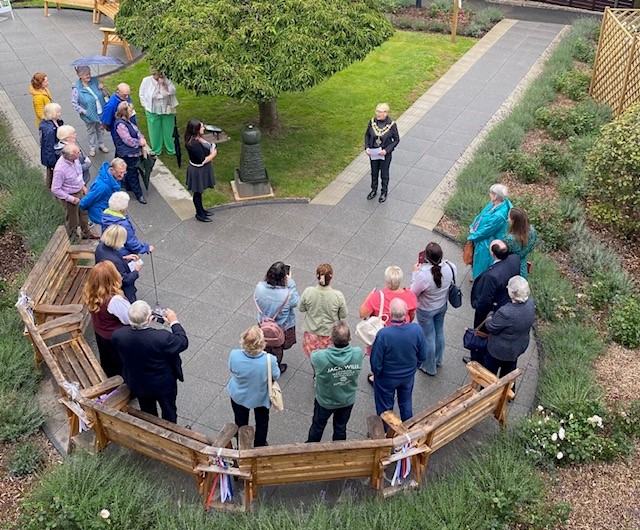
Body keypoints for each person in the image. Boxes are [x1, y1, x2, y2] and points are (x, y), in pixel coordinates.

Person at [112, 301, 188, 423]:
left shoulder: (118, 335)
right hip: (163, 383)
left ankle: (152, 428)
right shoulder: (161, 338)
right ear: (150, 318)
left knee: (147, 411)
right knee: (169, 410)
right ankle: (171, 432)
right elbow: (182, 342)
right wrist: (174, 322)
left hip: (138, 382)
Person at [464, 240, 520, 365]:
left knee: (480, 333)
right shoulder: (514, 260)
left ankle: (477, 359)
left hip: (490, 310)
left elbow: (485, 300)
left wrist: (478, 307)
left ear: (493, 254)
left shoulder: (492, 276)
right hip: (505, 301)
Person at [370, 299, 427, 422]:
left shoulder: (383, 334)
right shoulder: (417, 330)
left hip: (387, 378)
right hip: (407, 376)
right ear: (406, 312)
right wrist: (414, 367)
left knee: (385, 408)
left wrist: (378, 374)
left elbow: (375, 362)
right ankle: (408, 430)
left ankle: (386, 434)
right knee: (406, 403)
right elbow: (423, 355)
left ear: (390, 313)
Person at [306, 321, 363, 443]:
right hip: (347, 400)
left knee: (318, 426)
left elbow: (313, 355)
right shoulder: (357, 353)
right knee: (340, 428)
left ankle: (310, 448)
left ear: (331, 339)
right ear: (350, 338)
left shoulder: (320, 357)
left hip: (325, 401)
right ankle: (338, 451)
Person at [360, 265, 417, 384]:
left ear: (386, 281)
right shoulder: (410, 295)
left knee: (379, 356)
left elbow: (362, 313)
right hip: (401, 335)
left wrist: (369, 296)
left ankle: (378, 377)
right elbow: (412, 315)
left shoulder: (377, 297)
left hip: (381, 334)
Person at [227, 326, 280, 447]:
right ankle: (259, 444)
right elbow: (276, 375)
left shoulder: (234, 355)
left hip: (239, 395)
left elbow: (231, 368)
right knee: (262, 422)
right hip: (260, 397)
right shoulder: (269, 360)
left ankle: (243, 444)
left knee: (241, 422)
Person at [410, 242, 456, 376]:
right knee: (439, 332)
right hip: (442, 306)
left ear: (426, 257)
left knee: (428, 337)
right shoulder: (450, 267)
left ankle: (428, 366)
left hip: (426, 310)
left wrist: (415, 273)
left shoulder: (422, 276)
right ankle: (438, 359)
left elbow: (413, 293)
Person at [485, 276, 535, 390]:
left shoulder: (505, 312)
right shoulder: (531, 304)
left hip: (499, 349)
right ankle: (508, 392)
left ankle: (486, 392)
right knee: (509, 371)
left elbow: (491, 327)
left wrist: (490, 315)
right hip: (517, 346)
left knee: (489, 372)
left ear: (512, 293)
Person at [81, 261, 131, 377]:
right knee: (121, 364)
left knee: (107, 361)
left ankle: (110, 382)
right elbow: (128, 319)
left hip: (101, 332)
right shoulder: (114, 300)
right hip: (115, 338)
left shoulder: (91, 291)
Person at [254, 261, 300, 374]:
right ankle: (276, 367)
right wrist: (291, 283)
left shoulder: (259, 287)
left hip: (263, 324)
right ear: (284, 278)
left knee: (265, 344)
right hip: (281, 327)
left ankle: (265, 361)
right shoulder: (287, 294)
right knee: (277, 347)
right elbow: (297, 302)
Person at [298, 263, 348, 359]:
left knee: (314, 358)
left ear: (317, 276)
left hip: (311, 334)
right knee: (329, 359)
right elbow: (343, 314)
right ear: (331, 277)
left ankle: (316, 373)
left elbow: (301, 308)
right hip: (329, 335)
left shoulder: (308, 291)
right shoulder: (337, 295)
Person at [51, 144, 98, 241]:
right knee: (73, 220)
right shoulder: (60, 169)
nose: (80, 153)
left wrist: (83, 185)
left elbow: (79, 173)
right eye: (77, 152)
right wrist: (71, 199)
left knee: (84, 214)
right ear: (69, 156)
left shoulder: (75, 160)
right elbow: (55, 189)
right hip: (70, 195)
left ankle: (86, 233)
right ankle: (74, 240)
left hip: (79, 190)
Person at [467, 184, 513, 280]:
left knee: (482, 262)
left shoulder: (499, 216)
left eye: (491, 193)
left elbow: (486, 231)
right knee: (478, 261)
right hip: (482, 238)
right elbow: (481, 215)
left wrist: (472, 237)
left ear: (496, 196)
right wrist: (473, 227)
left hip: (486, 242)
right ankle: (476, 276)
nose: (489, 194)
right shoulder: (494, 204)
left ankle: (479, 279)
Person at [95, 224, 141, 303]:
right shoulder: (116, 262)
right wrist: (136, 271)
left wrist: (124, 257)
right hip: (121, 291)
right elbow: (125, 280)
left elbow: (110, 257)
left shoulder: (101, 246)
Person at [364, 103, 400, 203]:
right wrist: (367, 147)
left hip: (385, 154)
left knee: (384, 173)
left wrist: (386, 150)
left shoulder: (391, 125)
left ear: (385, 113)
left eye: (380, 112)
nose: (377, 113)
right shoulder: (372, 122)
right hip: (373, 153)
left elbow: (396, 140)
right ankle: (373, 189)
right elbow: (367, 135)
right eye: (377, 111)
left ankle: (384, 192)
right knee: (374, 172)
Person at [71, 65, 110, 157]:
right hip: (88, 114)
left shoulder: (95, 81)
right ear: (80, 76)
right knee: (91, 131)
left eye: (89, 73)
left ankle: (101, 145)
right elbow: (74, 104)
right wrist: (83, 111)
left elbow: (105, 95)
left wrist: (102, 88)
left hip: (101, 111)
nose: (88, 76)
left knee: (100, 129)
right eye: (85, 75)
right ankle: (92, 147)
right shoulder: (77, 88)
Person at [113, 101, 147, 204]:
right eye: (131, 110)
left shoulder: (127, 121)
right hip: (128, 154)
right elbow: (128, 140)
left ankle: (129, 186)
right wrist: (139, 143)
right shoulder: (120, 125)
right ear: (125, 112)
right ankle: (139, 194)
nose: (133, 112)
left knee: (129, 172)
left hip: (132, 152)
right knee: (133, 174)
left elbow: (136, 131)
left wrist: (141, 137)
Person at [139, 69, 178, 156]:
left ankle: (171, 149)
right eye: (157, 76)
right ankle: (156, 150)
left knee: (169, 129)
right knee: (154, 131)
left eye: (161, 75)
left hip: (167, 109)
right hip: (152, 110)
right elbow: (142, 94)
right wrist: (145, 105)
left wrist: (164, 84)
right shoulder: (146, 81)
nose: (159, 77)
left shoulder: (167, 79)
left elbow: (173, 90)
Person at [102, 191, 154, 256]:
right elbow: (131, 243)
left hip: (109, 250)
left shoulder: (106, 216)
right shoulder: (123, 224)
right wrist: (146, 248)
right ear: (122, 209)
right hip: (122, 253)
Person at [184, 119, 216, 222]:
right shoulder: (194, 144)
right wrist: (214, 154)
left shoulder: (196, 139)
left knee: (199, 193)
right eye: (201, 127)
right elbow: (203, 160)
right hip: (198, 171)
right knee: (197, 193)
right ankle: (199, 214)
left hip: (199, 169)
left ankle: (202, 210)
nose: (204, 128)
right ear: (196, 130)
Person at [79, 158, 125, 225]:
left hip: (106, 210)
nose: (122, 175)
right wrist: (83, 207)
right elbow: (88, 199)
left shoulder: (112, 178)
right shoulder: (102, 186)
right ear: (112, 170)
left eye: (124, 172)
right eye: (120, 172)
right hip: (100, 213)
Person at [504, 207, 537, 279]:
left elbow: (503, 255)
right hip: (522, 266)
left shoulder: (510, 239)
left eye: (509, 218)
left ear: (514, 221)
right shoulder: (532, 231)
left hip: (510, 268)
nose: (508, 220)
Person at [39, 103, 63, 188]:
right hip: (52, 157)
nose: (60, 114)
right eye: (58, 112)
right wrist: (52, 162)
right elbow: (49, 147)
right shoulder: (50, 131)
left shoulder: (48, 123)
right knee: (52, 175)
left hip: (52, 155)